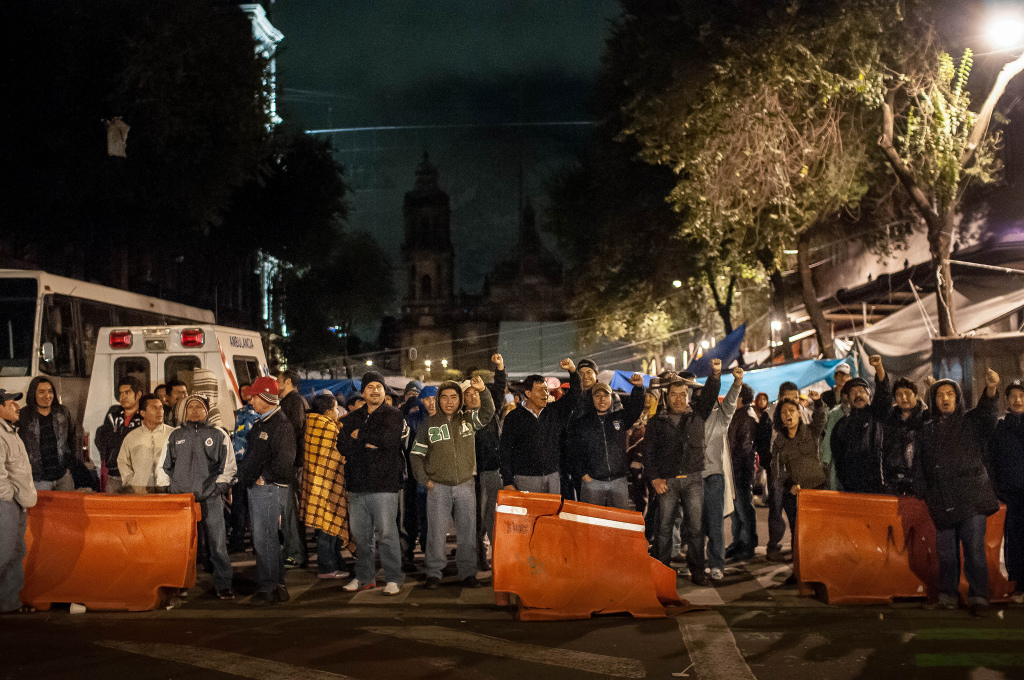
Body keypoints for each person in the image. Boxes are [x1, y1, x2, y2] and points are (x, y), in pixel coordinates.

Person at [915, 371, 1001, 616]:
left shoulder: (971, 421)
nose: (945, 399)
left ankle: (979, 598)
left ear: (957, 398)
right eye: (940, 395)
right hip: (941, 500)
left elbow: (987, 412)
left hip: (972, 497)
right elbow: (919, 462)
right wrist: (922, 489)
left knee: (974, 550)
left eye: (950, 394)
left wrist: (991, 388)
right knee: (946, 553)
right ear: (934, 400)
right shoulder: (926, 429)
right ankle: (947, 596)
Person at [411, 374, 495, 589]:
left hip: (466, 485)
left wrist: (483, 390)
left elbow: (488, 412)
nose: (449, 401)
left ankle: (468, 573)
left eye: (454, 397)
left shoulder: (468, 420)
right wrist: (425, 480)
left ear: (460, 400)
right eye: (444, 397)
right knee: (436, 533)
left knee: (467, 533)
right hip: (437, 487)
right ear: (438, 400)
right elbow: (416, 454)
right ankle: (434, 573)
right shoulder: (428, 424)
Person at [645, 359, 722, 584]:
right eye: (674, 394)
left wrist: (714, 375)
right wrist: (654, 478)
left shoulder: (697, 414)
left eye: (682, 394)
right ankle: (661, 572)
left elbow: (709, 395)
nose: (678, 398)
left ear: (688, 395)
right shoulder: (657, 421)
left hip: (693, 480)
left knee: (696, 529)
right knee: (664, 528)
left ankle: (698, 571)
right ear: (667, 397)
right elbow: (648, 452)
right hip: (667, 481)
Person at [156, 394, 236, 600]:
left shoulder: (219, 434)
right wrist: (168, 491)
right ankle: (180, 584)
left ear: (207, 411)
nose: (193, 410)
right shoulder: (175, 435)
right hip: (181, 501)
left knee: (217, 544)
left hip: (210, 499)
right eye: (190, 407)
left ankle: (224, 584)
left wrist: (215, 490)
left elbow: (229, 467)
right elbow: (163, 467)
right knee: (182, 547)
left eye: (198, 407)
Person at [338, 371, 407, 595]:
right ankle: (364, 577)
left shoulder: (393, 415)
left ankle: (393, 578)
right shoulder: (352, 418)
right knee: (362, 537)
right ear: (363, 391)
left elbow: (388, 440)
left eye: (378, 386)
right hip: (357, 485)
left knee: (387, 534)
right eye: (370, 387)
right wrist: (365, 441)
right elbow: (342, 446)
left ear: (384, 389)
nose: (375, 390)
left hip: (384, 485)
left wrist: (360, 436)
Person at [236, 377, 296, 605]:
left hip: (268, 489)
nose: (251, 399)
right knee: (266, 539)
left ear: (265, 398)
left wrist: (263, 478)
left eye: (254, 396)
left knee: (265, 539)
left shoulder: (281, 425)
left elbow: (284, 461)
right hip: (260, 488)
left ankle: (269, 587)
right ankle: (275, 584)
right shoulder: (263, 423)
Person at [499, 359, 581, 494]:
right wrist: (507, 481)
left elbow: (575, 394)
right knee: (529, 514)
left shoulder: (554, 411)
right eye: (540, 391)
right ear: (528, 393)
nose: (545, 394)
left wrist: (572, 371)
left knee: (552, 514)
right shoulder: (514, 417)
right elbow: (505, 451)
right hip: (525, 479)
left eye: (546, 390)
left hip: (552, 476)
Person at [772, 391, 828, 584]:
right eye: (783, 412)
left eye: (791, 410)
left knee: (818, 533)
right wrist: (789, 485)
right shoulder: (779, 441)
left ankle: (819, 572)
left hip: (818, 489)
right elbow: (778, 469)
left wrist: (818, 401)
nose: (788, 415)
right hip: (797, 495)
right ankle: (798, 573)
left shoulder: (811, 431)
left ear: (799, 413)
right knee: (798, 534)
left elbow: (821, 417)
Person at [568, 374, 646, 510]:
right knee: (592, 524)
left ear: (611, 398)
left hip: (618, 482)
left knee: (619, 523)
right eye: (597, 396)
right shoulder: (581, 423)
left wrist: (638, 388)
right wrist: (583, 475)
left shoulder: (620, 418)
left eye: (606, 396)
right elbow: (573, 452)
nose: (602, 399)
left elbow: (636, 408)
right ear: (591, 399)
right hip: (593, 482)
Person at [301, 393, 350, 580]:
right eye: (336, 408)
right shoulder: (329, 428)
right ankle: (327, 568)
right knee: (328, 529)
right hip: (328, 485)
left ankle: (335, 565)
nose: (338, 412)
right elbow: (340, 456)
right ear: (329, 411)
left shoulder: (310, 426)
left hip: (314, 484)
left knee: (324, 528)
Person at [830, 356, 891, 494]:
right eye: (853, 392)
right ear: (848, 399)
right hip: (852, 490)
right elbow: (838, 459)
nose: (858, 395)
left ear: (869, 395)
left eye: (861, 391)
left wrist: (878, 367)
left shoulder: (877, 415)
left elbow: (884, 393)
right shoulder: (841, 426)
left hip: (879, 487)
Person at [0, 389, 37, 614]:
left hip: (15, 504)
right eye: (12, 403)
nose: (17, 407)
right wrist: (9, 498)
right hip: (6, 505)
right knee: (3, 554)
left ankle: (8, 604)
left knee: (14, 553)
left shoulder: (9, 431)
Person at [470, 354, 506, 571]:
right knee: (475, 520)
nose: (474, 397)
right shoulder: (461, 417)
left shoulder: (491, 412)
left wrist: (500, 367)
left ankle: (499, 560)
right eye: (470, 394)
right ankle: (479, 558)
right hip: (471, 474)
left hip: (492, 469)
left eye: (478, 393)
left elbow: (500, 388)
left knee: (493, 518)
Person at [990, 379, 1024, 604]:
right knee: (1015, 541)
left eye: (1021, 395)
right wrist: (998, 488)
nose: (1018, 400)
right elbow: (993, 460)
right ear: (1007, 400)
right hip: (1012, 494)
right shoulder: (1000, 426)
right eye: (1013, 396)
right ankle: (1020, 587)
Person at [765, 381, 803, 561]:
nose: (794, 401)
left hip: (797, 472)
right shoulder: (770, 415)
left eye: (796, 397)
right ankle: (773, 546)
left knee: (797, 511)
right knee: (776, 509)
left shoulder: (802, 414)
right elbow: (765, 445)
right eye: (789, 397)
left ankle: (798, 548)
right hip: (778, 473)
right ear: (780, 397)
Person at [19, 377, 78, 491]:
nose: (47, 396)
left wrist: (71, 466)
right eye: (42, 392)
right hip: (38, 479)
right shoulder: (24, 415)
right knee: (41, 509)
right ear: (33, 394)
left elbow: (73, 438)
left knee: (67, 508)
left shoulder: (63, 412)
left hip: (63, 476)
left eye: (50, 391)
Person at [277, 369, 310, 569]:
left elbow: (293, 432)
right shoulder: (293, 401)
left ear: (288, 382)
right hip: (292, 463)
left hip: (292, 465)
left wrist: (286, 460)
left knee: (291, 511)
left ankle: (296, 553)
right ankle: (293, 550)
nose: (276, 385)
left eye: (278, 381)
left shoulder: (293, 402)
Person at [726, 383, 758, 562]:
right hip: (735, 470)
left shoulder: (746, 417)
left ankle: (747, 545)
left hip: (740, 471)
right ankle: (737, 542)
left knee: (744, 509)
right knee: (736, 511)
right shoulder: (739, 415)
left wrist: (732, 469)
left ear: (741, 398)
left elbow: (744, 449)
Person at [95, 376, 145, 494]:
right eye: (121, 393)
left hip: (137, 477)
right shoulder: (113, 413)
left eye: (127, 392)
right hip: (114, 473)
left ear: (138, 395)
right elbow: (103, 438)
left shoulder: (144, 416)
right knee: (111, 510)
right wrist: (126, 437)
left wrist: (117, 437)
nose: (123, 397)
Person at [117, 393, 174, 493]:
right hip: (140, 492)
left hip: (167, 491)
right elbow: (122, 461)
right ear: (143, 413)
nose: (159, 411)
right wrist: (132, 482)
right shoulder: (132, 437)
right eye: (154, 408)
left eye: (161, 408)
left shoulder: (173, 434)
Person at [882, 376, 928, 495]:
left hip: (922, 481)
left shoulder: (926, 417)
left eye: (908, 393)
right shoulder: (890, 420)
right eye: (899, 394)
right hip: (895, 482)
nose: (903, 398)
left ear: (916, 395)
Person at [229, 384, 260, 551]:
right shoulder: (241, 413)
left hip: (246, 462)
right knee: (244, 503)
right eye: (243, 391)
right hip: (242, 462)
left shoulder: (240, 414)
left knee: (240, 503)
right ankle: (250, 540)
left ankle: (239, 540)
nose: (247, 393)